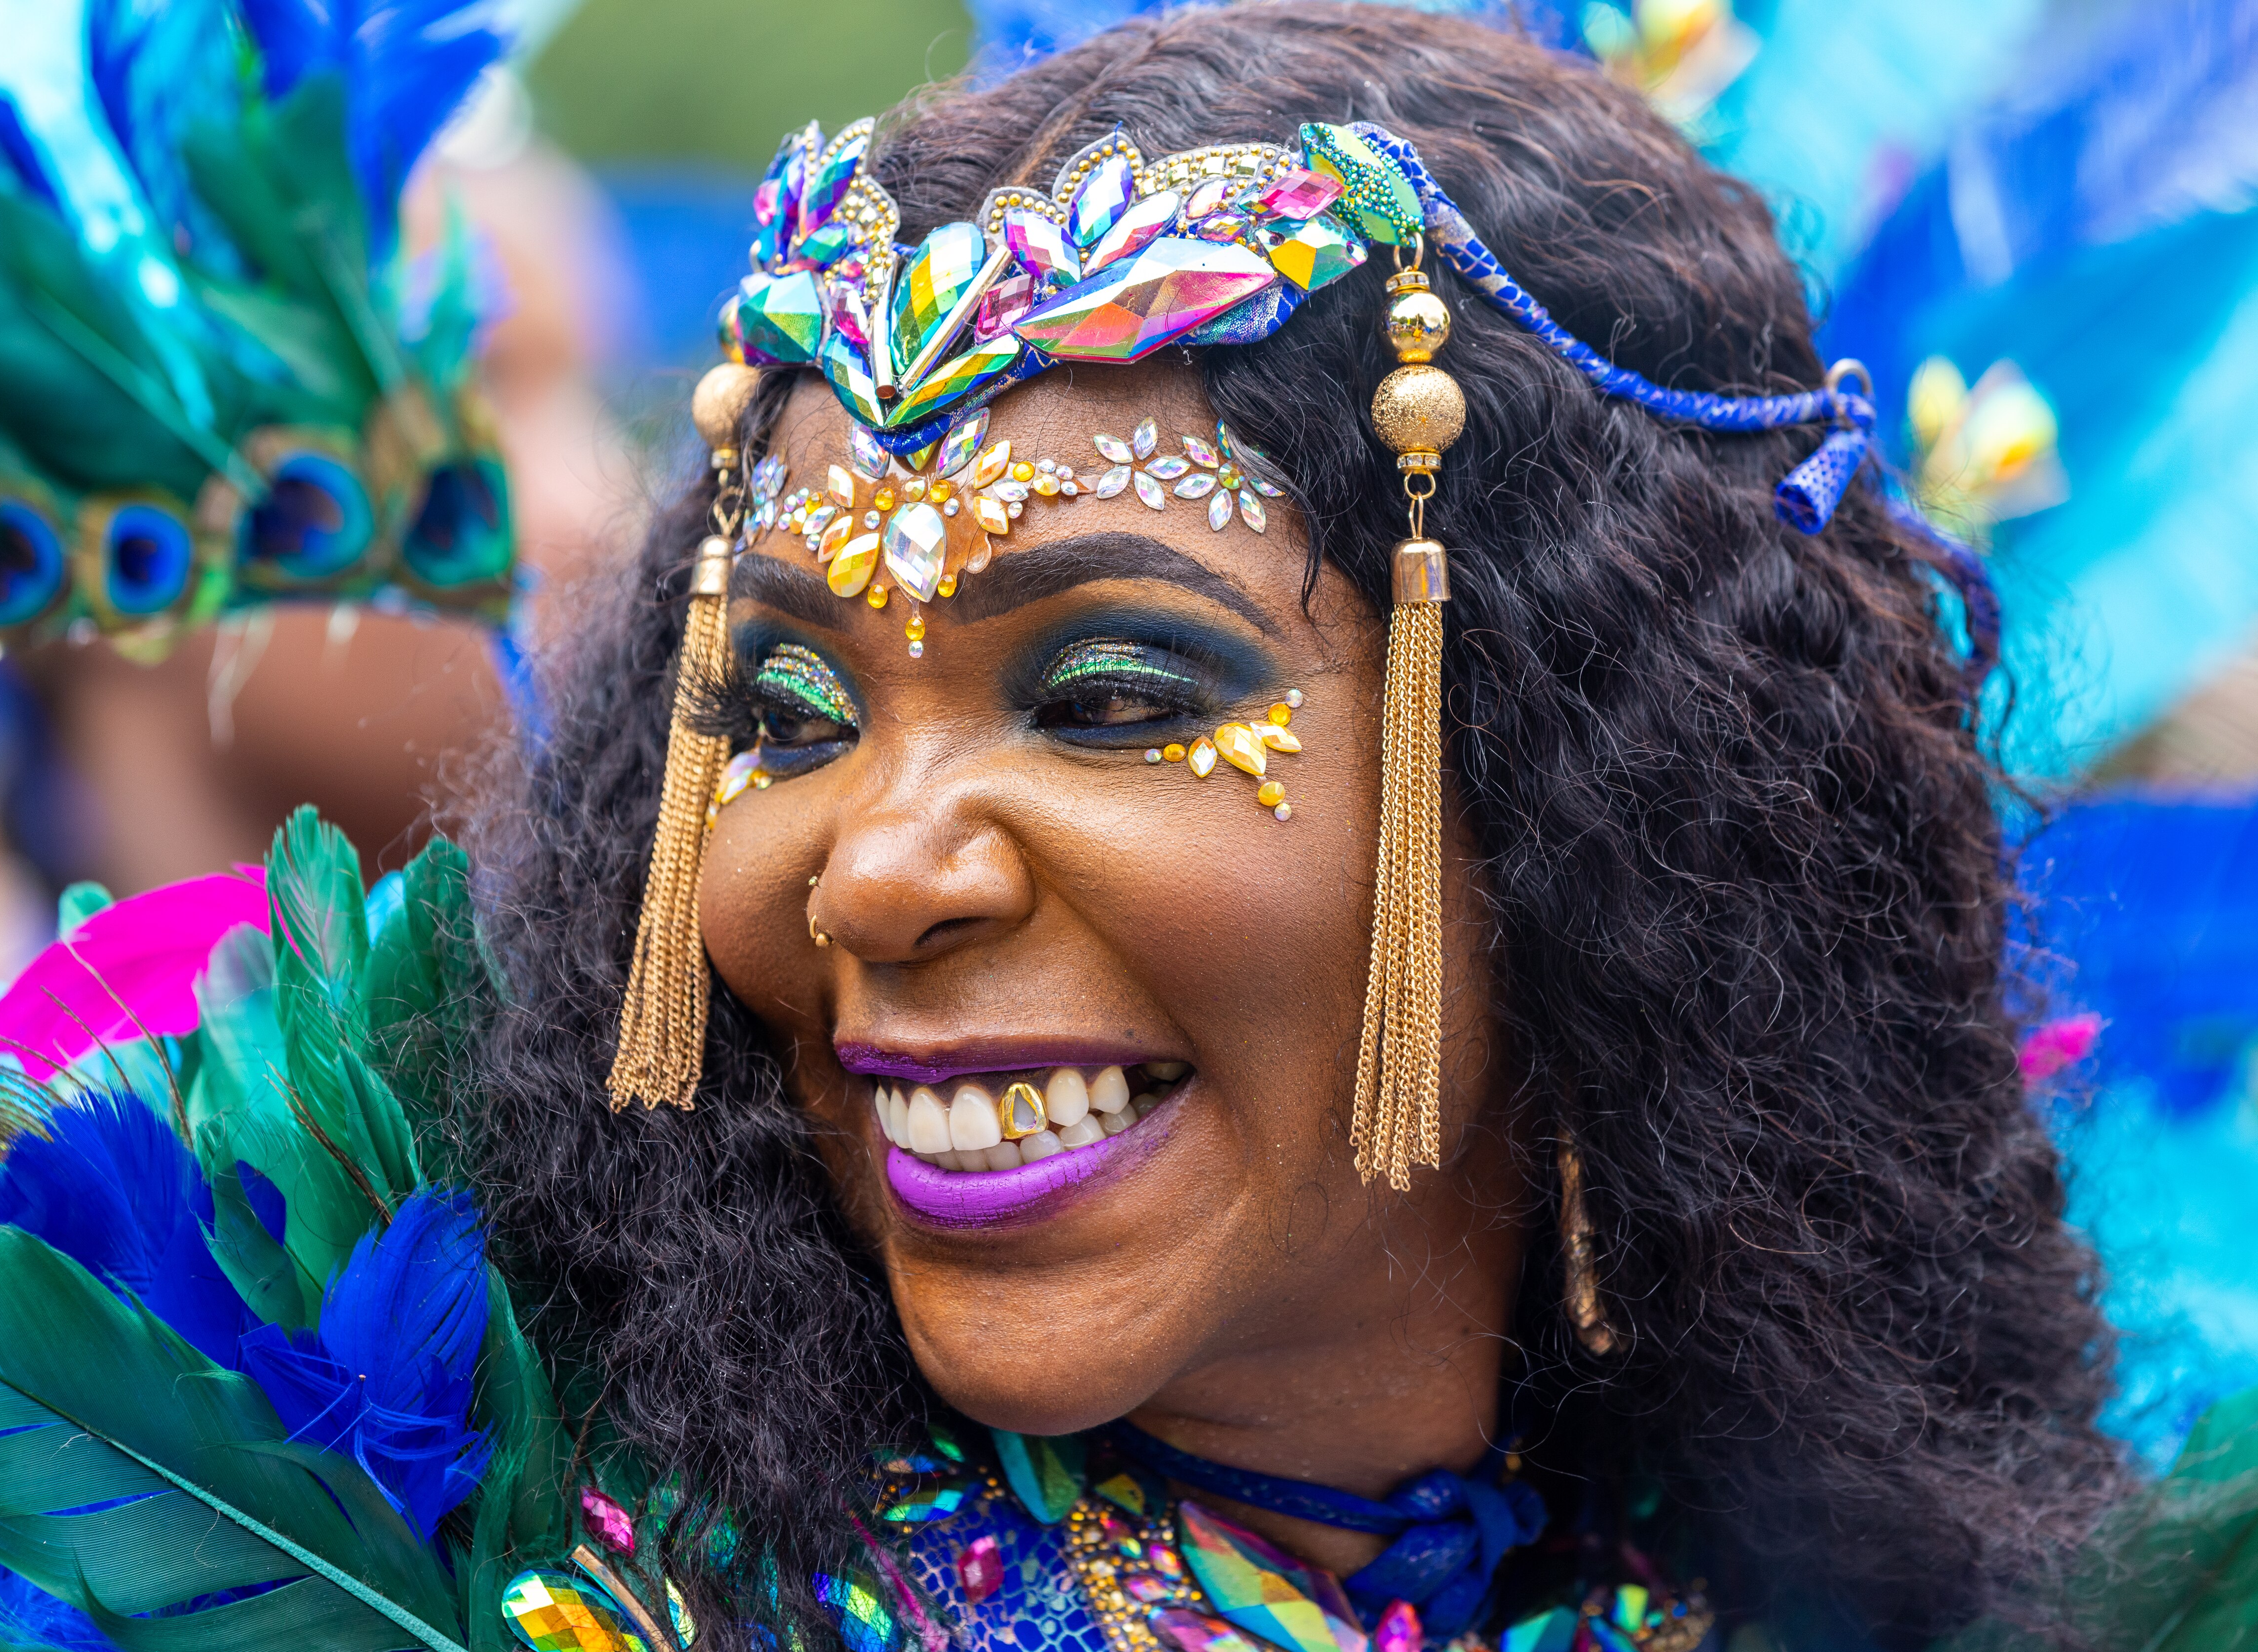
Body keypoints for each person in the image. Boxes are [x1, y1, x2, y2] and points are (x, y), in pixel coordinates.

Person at [461, 8, 2122, 1652]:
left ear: (1594, 791)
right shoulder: (514, 1600)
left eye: (1109, 699)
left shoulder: (1861, 1598)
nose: (882, 875)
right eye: (790, 716)